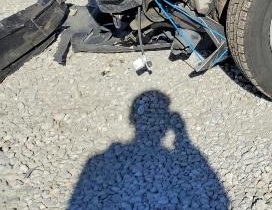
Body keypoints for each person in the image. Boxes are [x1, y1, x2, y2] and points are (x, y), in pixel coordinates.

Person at [69, 90, 228, 209]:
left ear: (132, 120)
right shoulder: (97, 162)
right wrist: (182, 136)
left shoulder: (96, 162)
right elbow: (221, 198)